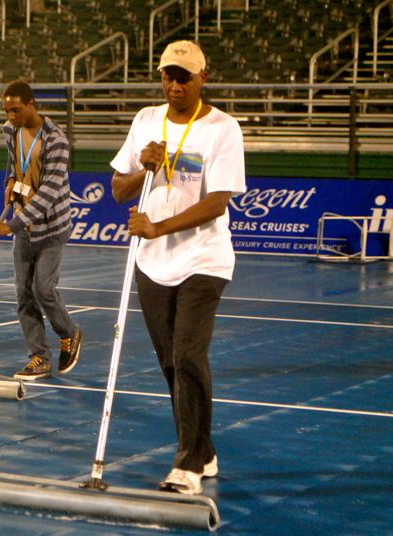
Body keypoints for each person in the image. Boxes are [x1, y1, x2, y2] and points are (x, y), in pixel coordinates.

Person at [110, 41, 246, 495]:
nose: (174, 84)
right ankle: (203, 450)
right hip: (152, 264)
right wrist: (140, 169)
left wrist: (158, 227)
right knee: (171, 363)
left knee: (188, 354)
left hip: (203, 259)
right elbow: (118, 190)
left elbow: (217, 201)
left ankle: (186, 465)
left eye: (183, 76)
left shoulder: (222, 129)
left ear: (203, 78)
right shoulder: (146, 120)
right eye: (168, 75)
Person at [0, 80, 83, 381]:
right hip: (24, 225)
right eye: (6, 111)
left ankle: (69, 332)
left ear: (32, 105)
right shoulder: (10, 130)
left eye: (16, 110)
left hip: (52, 226)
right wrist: (9, 182)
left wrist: (11, 225)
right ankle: (39, 358)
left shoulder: (56, 140)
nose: (11, 116)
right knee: (23, 295)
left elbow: (49, 194)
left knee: (44, 289)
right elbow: (14, 164)